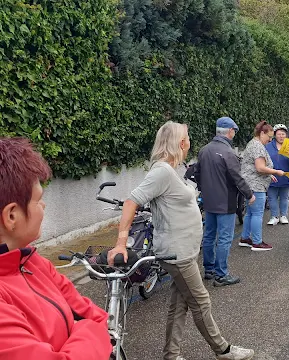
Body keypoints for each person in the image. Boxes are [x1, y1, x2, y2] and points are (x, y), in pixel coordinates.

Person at [107, 122, 254, 360]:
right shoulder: (162, 171)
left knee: (180, 305)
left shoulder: (169, 169)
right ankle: (223, 350)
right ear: (178, 142)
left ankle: (171, 354)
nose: (189, 142)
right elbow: (131, 202)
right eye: (186, 138)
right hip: (177, 253)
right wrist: (121, 243)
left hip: (183, 251)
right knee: (201, 301)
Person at [0, 138, 112, 359]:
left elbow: (94, 314)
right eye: (38, 200)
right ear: (12, 215)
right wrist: (89, 332)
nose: (44, 206)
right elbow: (96, 325)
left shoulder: (31, 261)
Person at [196, 117, 255, 287]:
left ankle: (209, 269)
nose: (234, 134)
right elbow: (237, 177)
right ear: (230, 131)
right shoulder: (229, 153)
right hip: (226, 202)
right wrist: (249, 194)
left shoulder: (204, 150)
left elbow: (198, 174)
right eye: (234, 131)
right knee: (224, 238)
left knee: (209, 235)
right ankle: (221, 274)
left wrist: (204, 189)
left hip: (209, 201)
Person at [239, 121, 284, 251]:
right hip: (256, 185)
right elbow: (260, 168)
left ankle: (245, 238)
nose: (270, 140)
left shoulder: (253, 143)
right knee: (257, 214)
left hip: (249, 184)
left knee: (250, 213)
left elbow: (255, 167)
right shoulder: (258, 146)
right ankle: (257, 242)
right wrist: (275, 171)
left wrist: (269, 175)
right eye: (269, 137)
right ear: (262, 133)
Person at [265, 124, 289, 225]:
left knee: (285, 197)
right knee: (272, 197)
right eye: (279, 134)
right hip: (272, 175)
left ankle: (283, 215)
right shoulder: (268, 146)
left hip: (286, 174)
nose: (281, 136)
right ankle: (274, 216)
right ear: (275, 135)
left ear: (286, 135)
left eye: (283, 134)